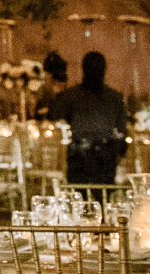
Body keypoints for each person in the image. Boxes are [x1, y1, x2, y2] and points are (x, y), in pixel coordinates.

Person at [50, 51, 129, 186]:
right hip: (90, 155)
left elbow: (60, 118)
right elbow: (121, 129)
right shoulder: (113, 97)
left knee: (83, 196)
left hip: (95, 155)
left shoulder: (72, 95)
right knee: (96, 196)